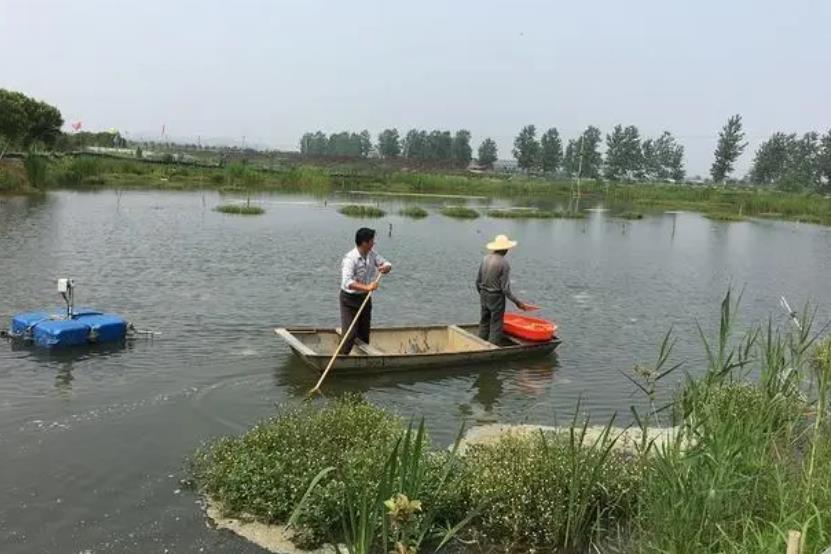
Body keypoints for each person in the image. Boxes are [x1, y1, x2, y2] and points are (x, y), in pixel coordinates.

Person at [339, 227, 392, 354]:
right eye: (372, 241)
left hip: (365, 298)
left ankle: (362, 358)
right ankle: (342, 358)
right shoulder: (350, 259)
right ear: (364, 243)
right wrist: (367, 287)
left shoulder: (371, 254)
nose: (374, 243)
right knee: (350, 334)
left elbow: (387, 263)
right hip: (349, 300)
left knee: (364, 333)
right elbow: (347, 283)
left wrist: (386, 268)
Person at [475, 234, 530, 345]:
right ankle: (492, 347)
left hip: (484, 294)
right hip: (496, 297)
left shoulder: (485, 259)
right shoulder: (504, 264)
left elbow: (477, 281)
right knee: (496, 323)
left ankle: (479, 343)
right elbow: (505, 289)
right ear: (505, 249)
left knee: (484, 321)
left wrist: (482, 294)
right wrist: (518, 303)